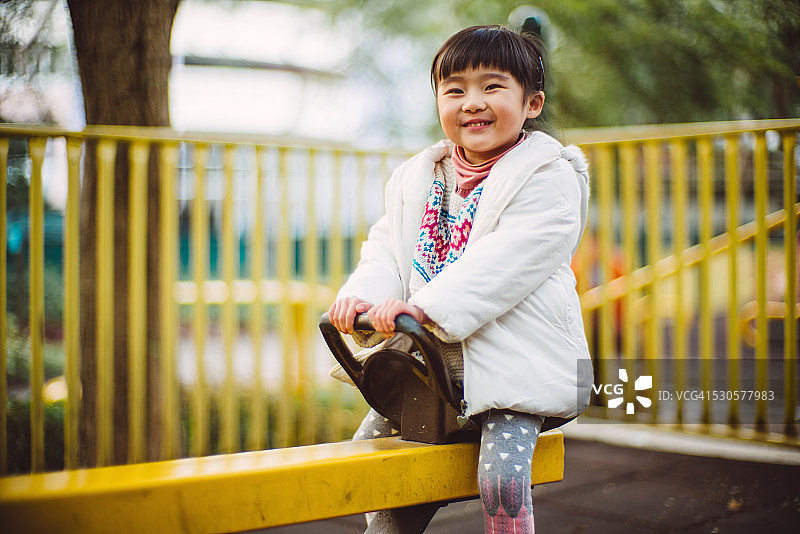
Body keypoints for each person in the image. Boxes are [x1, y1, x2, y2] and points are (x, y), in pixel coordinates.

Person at [328, 24, 592, 534]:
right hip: (432, 365)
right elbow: (387, 248)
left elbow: (506, 259)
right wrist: (360, 298)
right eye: (455, 90)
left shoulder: (550, 176)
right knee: (370, 458)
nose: (472, 102)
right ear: (438, 104)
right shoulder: (419, 178)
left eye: (492, 87)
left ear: (531, 103)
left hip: (518, 363)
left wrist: (426, 307)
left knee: (502, 479)